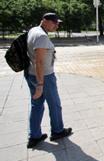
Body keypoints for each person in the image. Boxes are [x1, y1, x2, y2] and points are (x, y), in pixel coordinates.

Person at [25, 13, 72, 148]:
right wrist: (40, 84)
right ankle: (57, 131)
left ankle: (34, 136)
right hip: (44, 77)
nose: (57, 25)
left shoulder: (34, 30)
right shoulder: (41, 36)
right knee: (55, 105)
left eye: (57, 23)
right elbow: (39, 62)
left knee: (36, 105)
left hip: (32, 74)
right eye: (54, 22)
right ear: (44, 21)